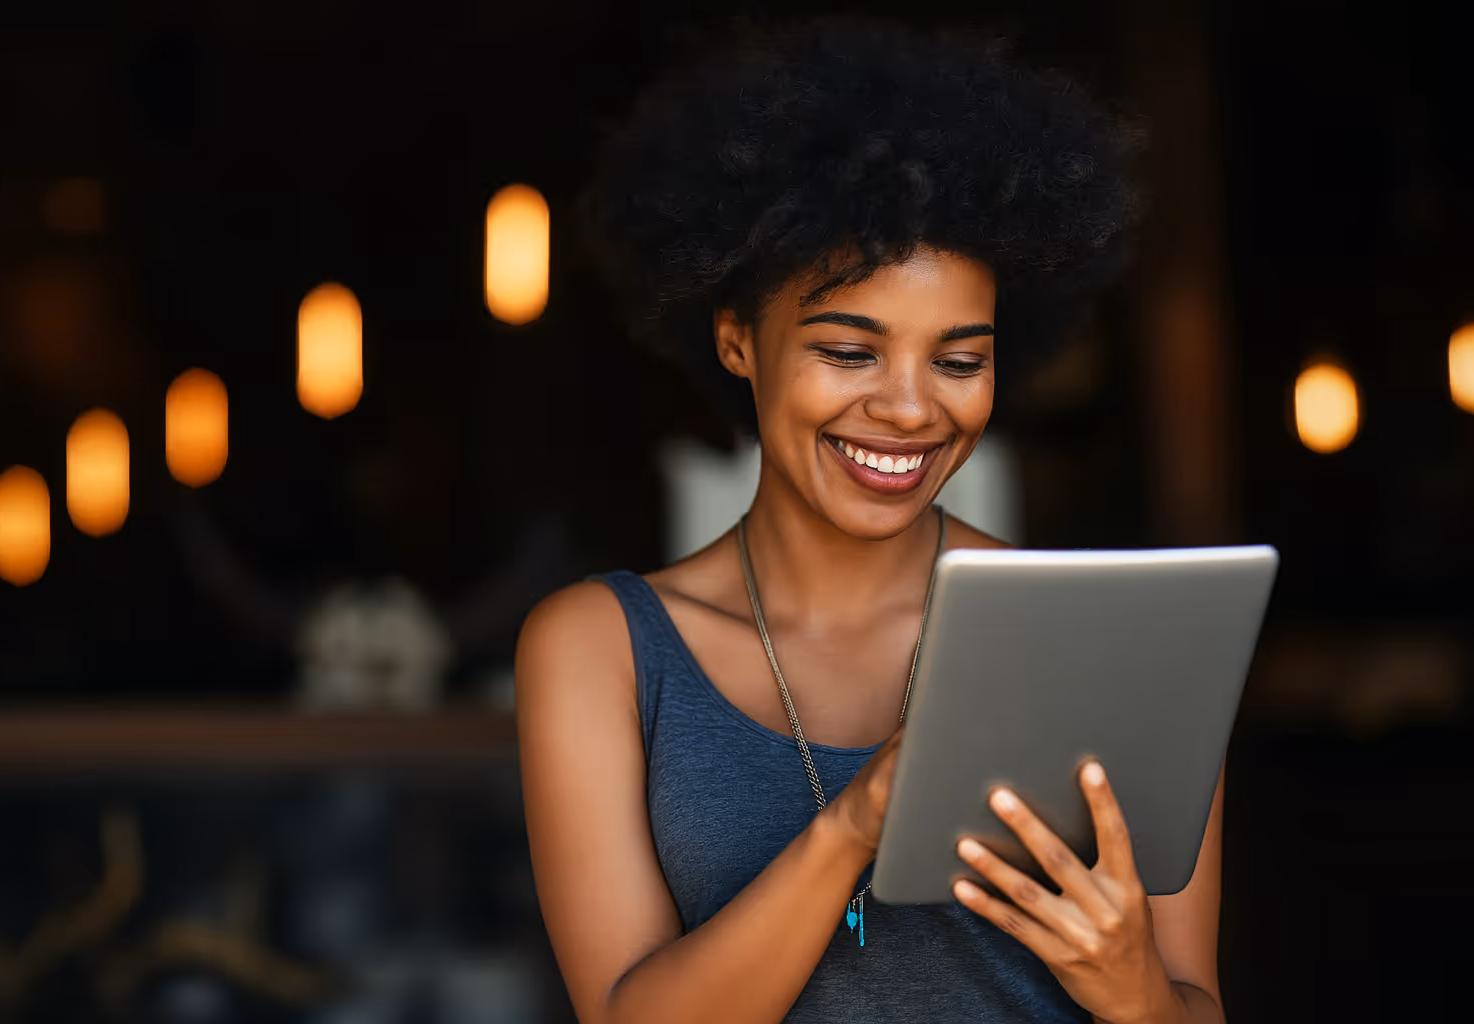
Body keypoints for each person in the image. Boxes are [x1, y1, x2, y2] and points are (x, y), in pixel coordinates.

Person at [516, 17, 1224, 1024]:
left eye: (959, 359)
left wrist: (1134, 987)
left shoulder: (1112, 642)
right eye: (849, 351)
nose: (908, 407)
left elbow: (1197, 1008)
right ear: (737, 342)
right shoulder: (603, 650)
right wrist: (855, 824)